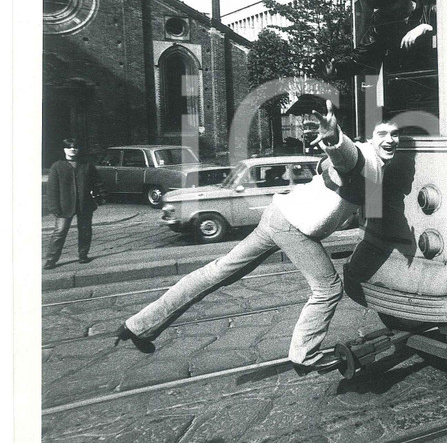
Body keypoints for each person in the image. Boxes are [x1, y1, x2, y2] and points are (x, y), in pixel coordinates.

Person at [117, 103, 400, 373]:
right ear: (370, 139)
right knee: (327, 289)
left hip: (277, 214)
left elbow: (330, 170)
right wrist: (335, 140)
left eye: (395, 133)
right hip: (295, 226)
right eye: (383, 134)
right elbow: (346, 157)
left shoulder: (373, 163)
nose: (390, 140)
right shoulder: (365, 160)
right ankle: (305, 355)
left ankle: (138, 325)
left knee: (219, 272)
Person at [326, 0, 434, 80]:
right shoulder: (381, 20)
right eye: (382, 8)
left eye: (390, 6)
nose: (388, 13)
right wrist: (337, 69)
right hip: (403, 88)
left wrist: (426, 28)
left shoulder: (431, 7)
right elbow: (363, 54)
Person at [44, 137, 103, 269]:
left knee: (85, 230)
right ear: (64, 149)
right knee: (59, 232)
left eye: (75, 147)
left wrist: (99, 197)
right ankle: (51, 259)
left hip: (84, 204)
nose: (72, 149)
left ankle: (83, 255)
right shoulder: (57, 166)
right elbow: (52, 189)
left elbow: (97, 182)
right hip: (64, 206)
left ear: (78, 149)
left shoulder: (86, 165)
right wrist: (54, 207)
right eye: (69, 147)